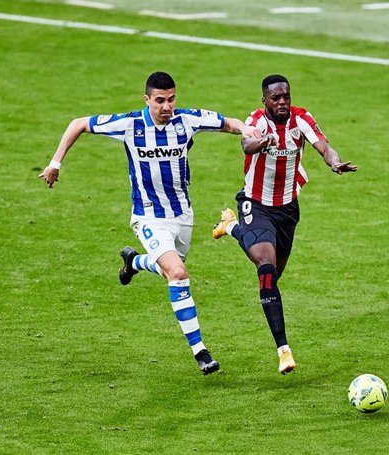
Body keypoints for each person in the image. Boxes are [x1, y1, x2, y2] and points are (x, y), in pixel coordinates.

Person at [39, 71, 262, 375]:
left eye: (171, 99)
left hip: (183, 217)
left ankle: (134, 262)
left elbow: (230, 123)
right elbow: (78, 123)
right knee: (178, 272)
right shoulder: (130, 125)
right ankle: (200, 351)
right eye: (159, 101)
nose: (166, 106)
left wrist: (247, 129)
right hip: (147, 215)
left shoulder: (187, 120)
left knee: (171, 272)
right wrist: (55, 163)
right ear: (147, 100)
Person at [212, 74, 357, 374]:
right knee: (265, 268)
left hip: (287, 210)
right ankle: (284, 350)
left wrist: (334, 162)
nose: (282, 102)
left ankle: (231, 227)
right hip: (256, 203)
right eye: (275, 98)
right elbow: (247, 145)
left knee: (273, 275)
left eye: (286, 97)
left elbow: (324, 146)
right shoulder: (256, 121)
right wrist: (261, 141)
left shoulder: (301, 118)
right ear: (263, 100)